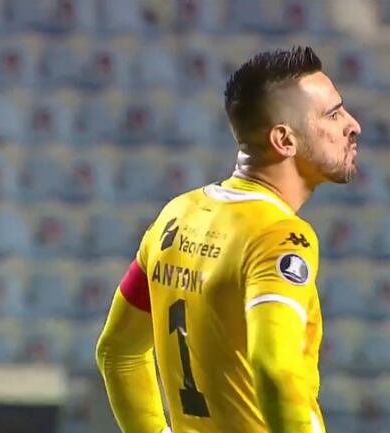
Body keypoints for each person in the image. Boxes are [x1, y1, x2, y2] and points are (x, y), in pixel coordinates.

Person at [95, 46, 361, 433]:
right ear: (284, 140)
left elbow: (118, 352)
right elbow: (274, 368)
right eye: (333, 115)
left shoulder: (177, 215)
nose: (353, 125)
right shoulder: (279, 237)